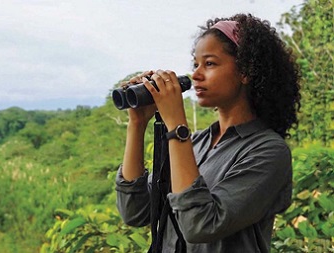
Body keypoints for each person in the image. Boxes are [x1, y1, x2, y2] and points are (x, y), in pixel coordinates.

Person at [115, 13, 301, 253]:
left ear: (246, 71)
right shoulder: (194, 143)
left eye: (210, 63)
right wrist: (137, 124)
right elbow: (135, 212)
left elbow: (200, 225)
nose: (196, 75)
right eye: (195, 64)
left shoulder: (269, 151)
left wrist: (176, 125)